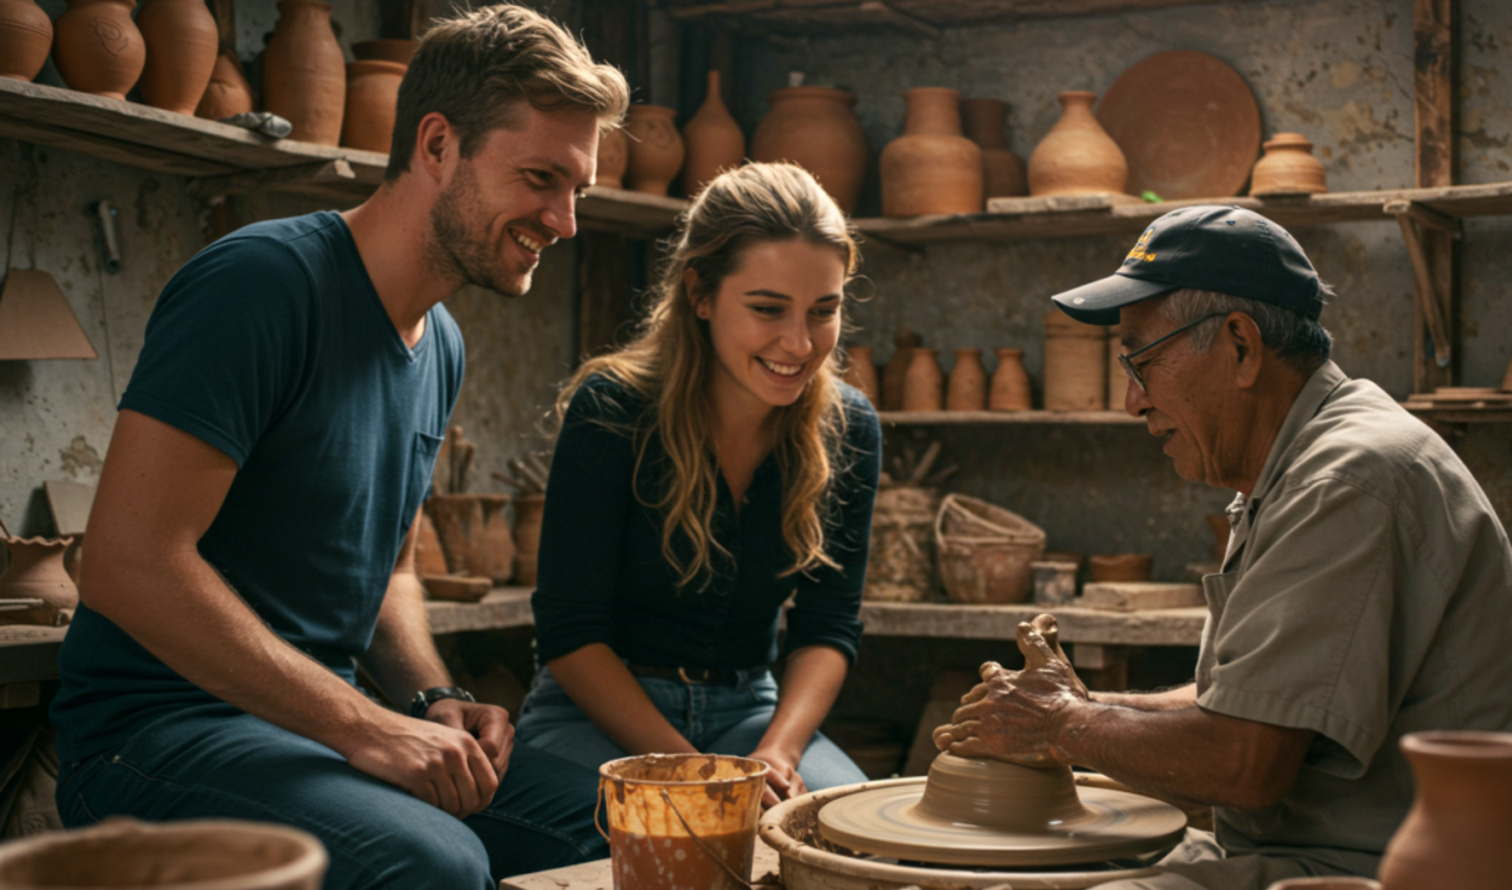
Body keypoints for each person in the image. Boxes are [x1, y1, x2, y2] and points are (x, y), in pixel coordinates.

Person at [48, 7, 629, 889]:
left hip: (313, 726)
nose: (566, 219)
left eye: (577, 188)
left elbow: (389, 573)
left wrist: (432, 699)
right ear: (437, 145)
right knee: (433, 862)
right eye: (542, 177)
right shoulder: (262, 284)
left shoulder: (442, 343)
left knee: (626, 825)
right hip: (154, 735)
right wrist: (366, 727)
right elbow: (127, 564)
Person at [932, 205, 1512, 890]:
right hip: (1300, 851)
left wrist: (1061, 726)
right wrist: (1084, 705)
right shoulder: (1303, 465)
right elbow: (1247, 706)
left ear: (1239, 345)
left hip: (1375, 871)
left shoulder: (1349, 479)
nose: (1131, 400)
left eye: (1142, 360)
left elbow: (1245, 761)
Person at [515, 162, 882, 806]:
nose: (799, 343)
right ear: (700, 294)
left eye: (823, 311)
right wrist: (696, 777)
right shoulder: (613, 409)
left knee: (850, 845)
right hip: (600, 716)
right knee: (683, 843)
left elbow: (829, 627)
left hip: (752, 713)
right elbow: (570, 635)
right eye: (768, 309)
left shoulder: (848, 426)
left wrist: (778, 752)